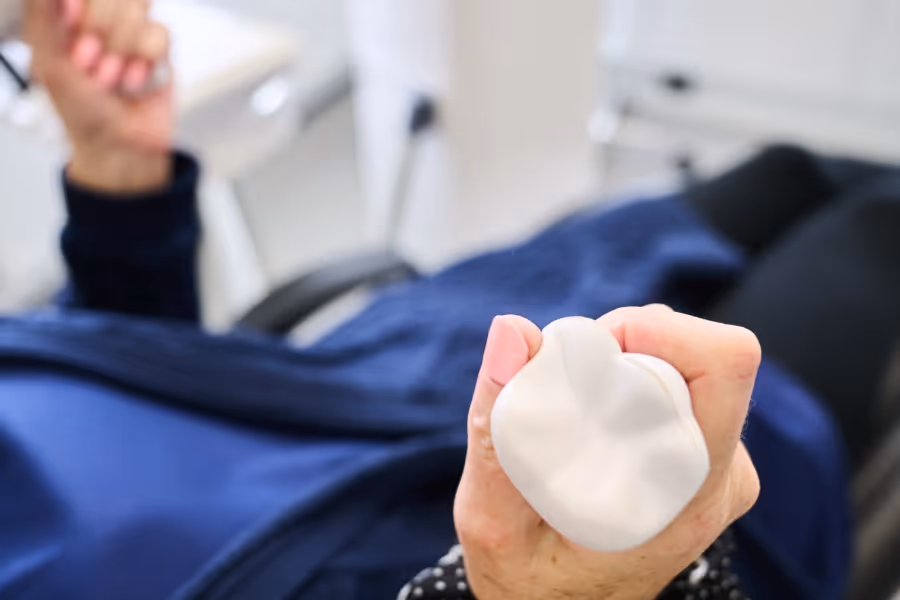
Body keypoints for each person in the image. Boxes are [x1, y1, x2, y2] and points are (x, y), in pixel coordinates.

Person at [0, 1, 852, 599]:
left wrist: (121, 189)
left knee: (789, 172)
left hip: (397, 367)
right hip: (519, 534)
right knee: (872, 243)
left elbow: (115, 395)